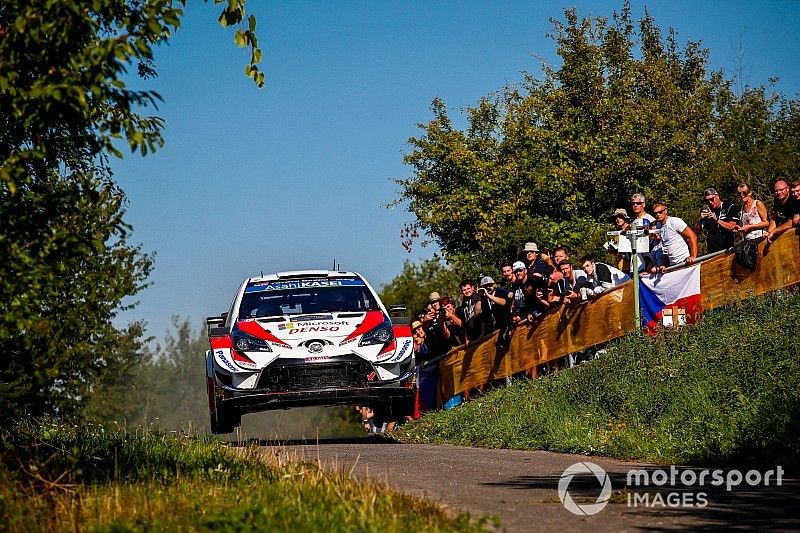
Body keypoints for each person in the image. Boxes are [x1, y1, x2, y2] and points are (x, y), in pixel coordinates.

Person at [651, 202, 698, 271]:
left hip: (685, 261)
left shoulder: (674, 221)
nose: (658, 215)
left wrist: (693, 256)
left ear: (665, 211)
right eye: (655, 213)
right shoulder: (658, 226)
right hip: (673, 265)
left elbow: (692, 236)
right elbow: (666, 246)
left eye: (660, 212)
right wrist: (665, 264)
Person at [695, 187, 737, 253]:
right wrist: (700, 219)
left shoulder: (729, 207)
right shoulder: (707, 210)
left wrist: (717, 220)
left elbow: (732, 226)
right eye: (707, 201)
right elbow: (696, 232)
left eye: (712, 199)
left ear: (717, 196)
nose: (710, 202)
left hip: (727, 248)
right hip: (712, 250)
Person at [478, 276, 513, 350]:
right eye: (485, 286)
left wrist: (489, 296)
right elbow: (481, 315)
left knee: (502, 346)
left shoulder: (499, 291)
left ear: (494, 285)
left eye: (489, 285)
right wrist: (482, 333)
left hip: (506, 324)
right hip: (493, 329)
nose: (488, 288)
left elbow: (504, 302)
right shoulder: (483, 299)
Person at [766, 179, 800, 244]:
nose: (778, 192)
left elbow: (791, 222)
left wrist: (774, 231)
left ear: (787, 189)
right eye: (776, 191)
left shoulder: (794, 199)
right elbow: (775, 218)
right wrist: (769, 232)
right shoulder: (777, 200)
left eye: (781, 190)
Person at [453, 280, 483, 344]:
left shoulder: (479, 298)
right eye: (464, 290)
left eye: (468, 288)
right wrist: (466, 337)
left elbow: (484, 317)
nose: (466, 291)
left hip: (481, 334)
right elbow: (465, 323)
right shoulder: (463, 305)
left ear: (472, 288)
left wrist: (482, 333)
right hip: (472, 337)